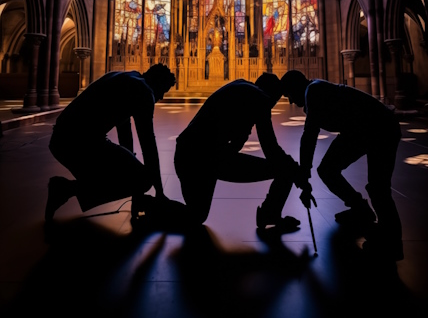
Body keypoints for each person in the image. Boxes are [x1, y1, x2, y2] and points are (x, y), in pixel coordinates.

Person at [281, 70, 403, 260]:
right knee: (328, 169)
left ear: (296, 87)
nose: (289, 102)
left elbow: (309, 135)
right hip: (360, 129)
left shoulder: (313, 91)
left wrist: (304, 172)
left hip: (379, 127)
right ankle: (360, 210)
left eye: (288, 94)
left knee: (378, 188)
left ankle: (392, 244)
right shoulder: (314, 90)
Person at [45, 63, 176, 224]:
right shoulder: (144, 92)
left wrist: (136, 188)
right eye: (163, 91)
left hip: (60, 140)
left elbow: (125, 136)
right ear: (157, 83)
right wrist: (159, 192)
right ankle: (66, 189)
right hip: (78, 145)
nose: (161, 97)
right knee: (144, 179)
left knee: (133, 176)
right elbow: (148, 145)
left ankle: (69, 189)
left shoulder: (127, 79)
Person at [174, 73, 307, 231]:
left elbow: (235, 143)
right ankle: (269, 214)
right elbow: (270, 149)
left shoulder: (242, 89)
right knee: (285, 170)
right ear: (274, 94)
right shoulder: (261, 98)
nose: (271, 107)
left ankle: (150, 204)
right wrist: (295, 171)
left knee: (196, 215)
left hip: (189, 154)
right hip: (202, 158)